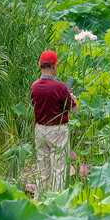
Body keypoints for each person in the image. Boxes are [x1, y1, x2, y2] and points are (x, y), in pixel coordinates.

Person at [31, 50, 77, 198]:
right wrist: (71, 97)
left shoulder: (35, 86)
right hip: (57, 130)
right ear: (53, 66)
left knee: (42, 168)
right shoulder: (60, 87)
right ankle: (57, 200)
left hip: (40, 130)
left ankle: (38, 199)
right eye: (57, 65)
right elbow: (73, 109)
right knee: (59, 169)